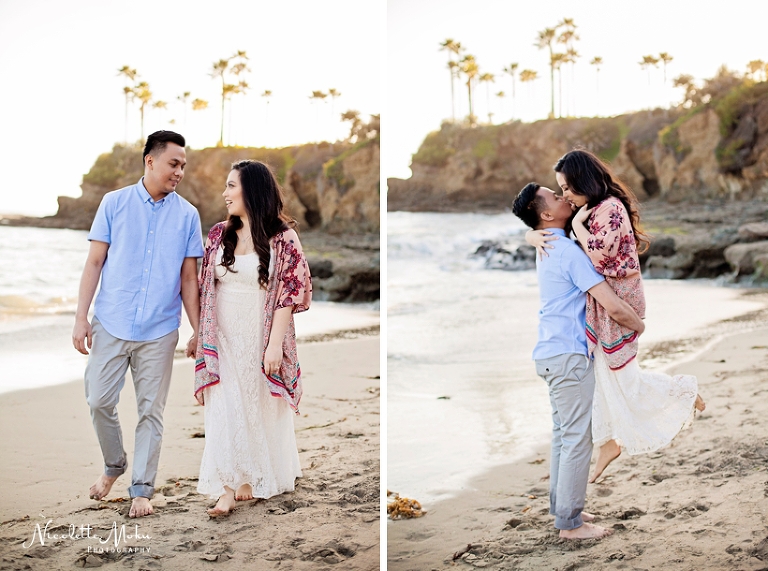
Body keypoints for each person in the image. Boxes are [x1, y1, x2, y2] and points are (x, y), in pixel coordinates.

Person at [527, 149, 705, 483]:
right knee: (604, 373)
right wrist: (531, 233)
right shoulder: (593, 208)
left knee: (622, 375)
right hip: (607, 298)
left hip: (620, 296)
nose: (564, 195)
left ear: (583, 180)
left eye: (566, 187)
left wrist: (577, 226)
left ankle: (682, 390)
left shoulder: (609, 207)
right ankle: (608, 441)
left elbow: (600, 258)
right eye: (560, 190)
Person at [72, 130, 204, 518]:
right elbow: (94, 262)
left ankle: (142, 489)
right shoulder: (114, 203)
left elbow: (189, 280)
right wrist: (81, 317)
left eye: (183, 166)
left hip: (160, 331)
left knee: (151, 412)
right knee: (99, 400)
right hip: (111, 323)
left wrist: (197, 329)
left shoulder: (188, 215)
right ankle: (115, 465)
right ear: (150, 160)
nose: (179, 171)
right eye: (173, 163)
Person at [512, 182, 646, 540]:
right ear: (545, 215)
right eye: (555, 197)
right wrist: (638, 324)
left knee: (563, 436)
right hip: (568, 356)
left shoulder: (549, 245)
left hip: (550, 354)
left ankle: (563, 508)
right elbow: (611, 303)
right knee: (576, 439)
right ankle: (570, 524)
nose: (563, 197)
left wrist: (538, 234)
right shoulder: (567, 252)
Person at [193, 159, 312, 517]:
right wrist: (199, 335)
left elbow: (290, 293)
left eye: (231, 186)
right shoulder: (218, 234)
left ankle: (251, 475)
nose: (225, 193)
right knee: (224, 405)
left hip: (259, 334)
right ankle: (227, 488)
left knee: (256, 403)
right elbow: (205, 289)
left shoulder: (282, 237)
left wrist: (274, 344)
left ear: (252, 190)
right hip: (222, 336)